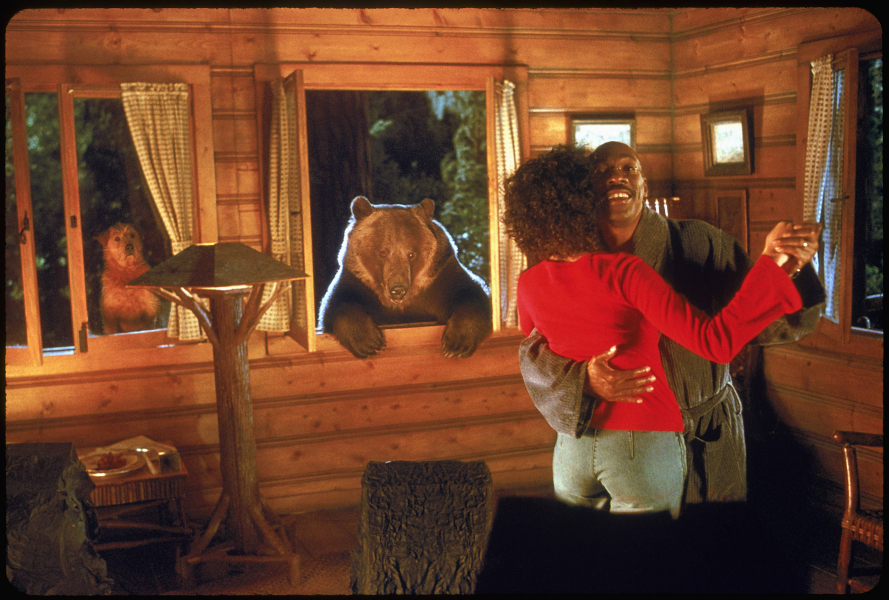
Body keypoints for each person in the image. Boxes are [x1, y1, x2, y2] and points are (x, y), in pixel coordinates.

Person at [516, 143, 825, 510]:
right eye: (601, 171)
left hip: (701, 436)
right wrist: (583, 379)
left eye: (629, 168)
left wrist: (788, 268)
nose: (617, 177)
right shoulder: (592, 265)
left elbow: (762, 322)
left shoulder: (700, 241)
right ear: (583, 194)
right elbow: (533, 352)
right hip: (630, 440)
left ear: (644, 185)